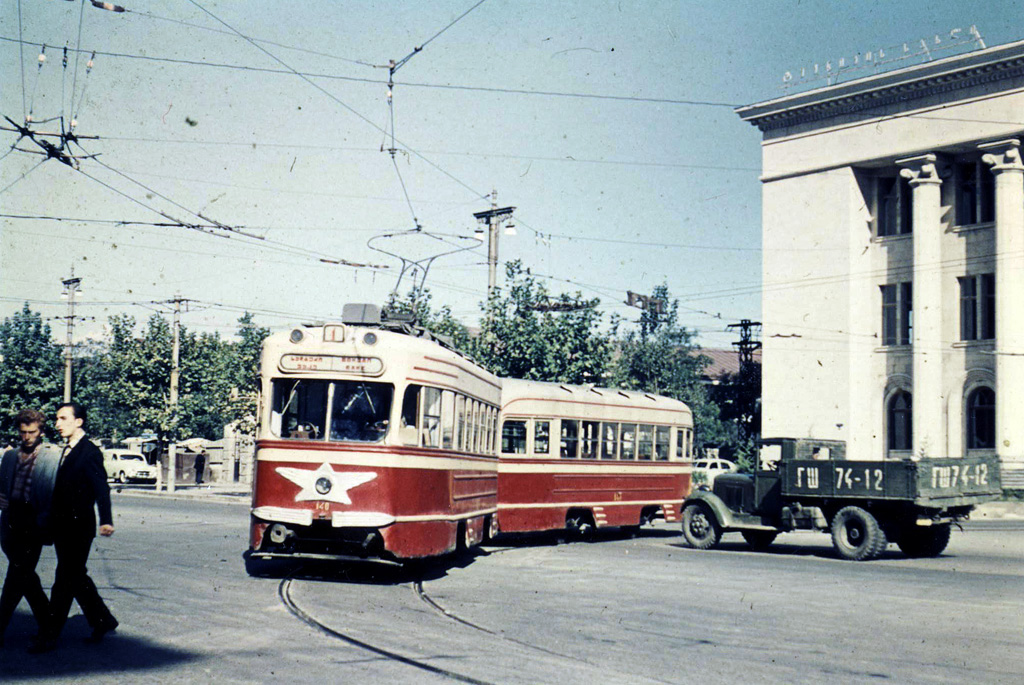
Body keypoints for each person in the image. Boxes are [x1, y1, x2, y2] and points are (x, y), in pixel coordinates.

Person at [30, 402, 117, 653]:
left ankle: (49, 635)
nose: (57, 424)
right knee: (76, 577)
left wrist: (107, 519)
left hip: (79, 528)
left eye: (63, 418)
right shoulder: (65, 451)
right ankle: (103, 620)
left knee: (64, 580)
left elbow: (102, 488)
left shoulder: (89, 452)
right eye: (57, 419)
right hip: (62, 525)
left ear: (78, 422)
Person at [0, 409, 60, 648]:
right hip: (10, 519)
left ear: (41, 432)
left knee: (17, 574)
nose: (26, 437)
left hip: (34, 520)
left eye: (31, 432)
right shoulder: (10, 456)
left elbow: (54, 491)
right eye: (23, 432)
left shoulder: (52, 456)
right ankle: (49, 622)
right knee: (23, 574)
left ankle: (2, 627)